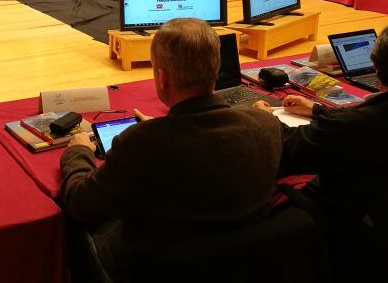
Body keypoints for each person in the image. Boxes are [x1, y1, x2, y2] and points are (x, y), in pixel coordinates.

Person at [60, 18, 282, 279]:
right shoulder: (267, 126)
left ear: (162, 77)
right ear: (216, 66)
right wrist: (163, 128)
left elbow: (80, 204)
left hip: (149, 267)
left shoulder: (142, 143)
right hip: (237, 264)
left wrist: (78, 151)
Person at [252, 27, 388, 253]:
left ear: (376, 67)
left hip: (338, 225)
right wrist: (316, 110)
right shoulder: (365, 119)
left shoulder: (362, 124)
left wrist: (265, 119)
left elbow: (288, 147)